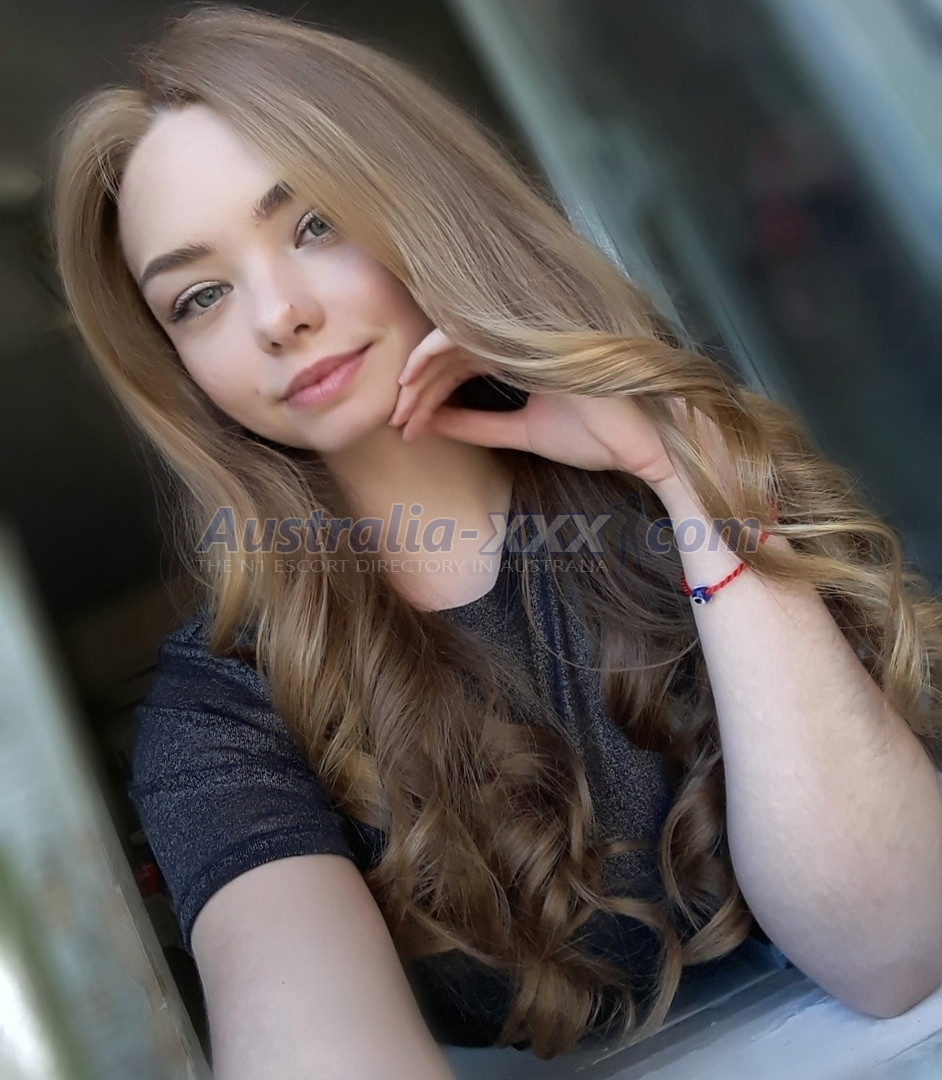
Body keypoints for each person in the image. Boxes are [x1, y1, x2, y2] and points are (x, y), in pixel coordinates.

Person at [49, 5, 942, 1078]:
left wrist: (683, 476)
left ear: (418, 205)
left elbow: (895, 948)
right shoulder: (223, 711)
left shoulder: (674, 473)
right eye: (199, 296)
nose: (276, 315)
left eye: (315, 223)